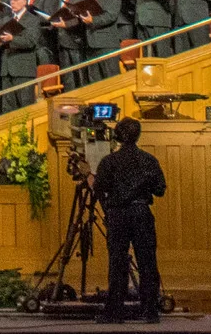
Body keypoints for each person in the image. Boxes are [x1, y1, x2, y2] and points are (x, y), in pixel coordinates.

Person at [93, 116, 167, 322]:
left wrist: (108, 210)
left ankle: (115, 311)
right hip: (141, 211)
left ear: (117, 136)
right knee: (147, 262)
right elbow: (160, 190)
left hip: (118, 213)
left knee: (117, 262)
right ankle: (150, 311)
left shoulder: (109, 161)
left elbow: (98, 189)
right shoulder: (149, 160)